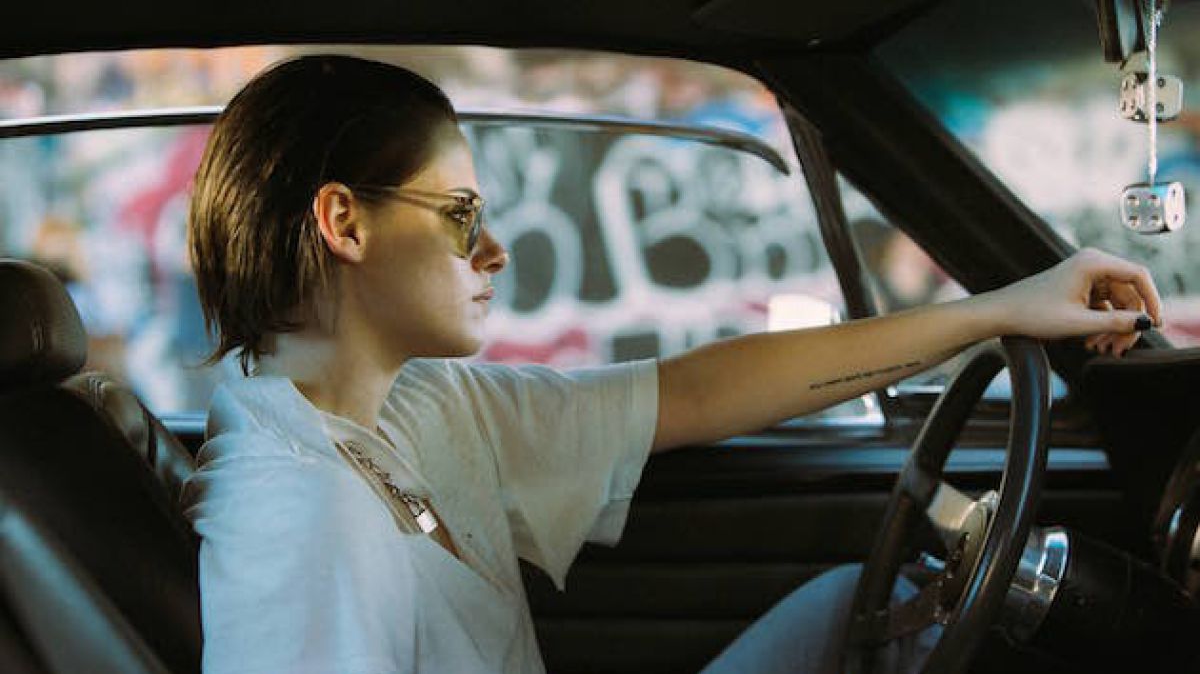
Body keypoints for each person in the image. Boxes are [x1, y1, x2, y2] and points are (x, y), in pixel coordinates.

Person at [179, 54, 1163, 674]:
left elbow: (691, 392)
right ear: (345, 222)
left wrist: (998, 311)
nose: (496, 251)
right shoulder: (295, 516)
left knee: (869, 606)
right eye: (461, 215)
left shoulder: (414, 405)